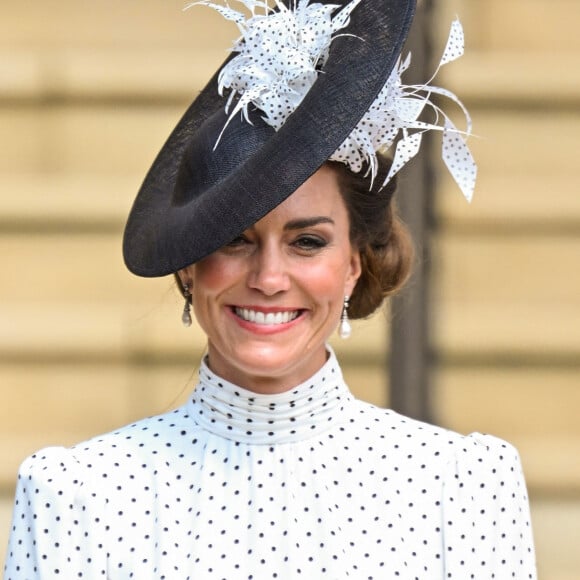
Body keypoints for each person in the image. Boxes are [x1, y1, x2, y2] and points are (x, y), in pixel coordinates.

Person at [4, 0, 536, 577]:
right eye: (236, 240)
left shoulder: (460, 487)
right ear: (188, 265)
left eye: (307, 242)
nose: (269, 279)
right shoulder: (77, 498)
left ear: (355, 262)